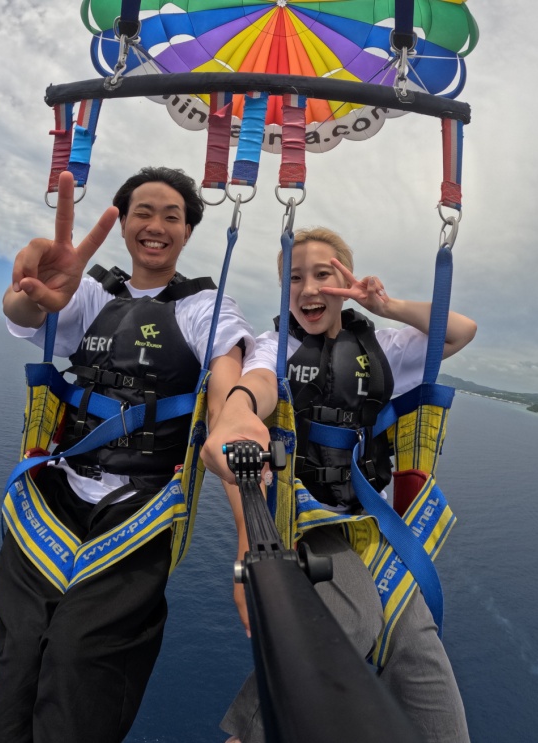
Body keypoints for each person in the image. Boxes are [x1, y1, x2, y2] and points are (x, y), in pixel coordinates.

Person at [0, 168, 253, 743]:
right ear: (124, 223)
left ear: (186, 231)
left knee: (85, 654)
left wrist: (234, 414)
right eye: (143, 212)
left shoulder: (203, 306)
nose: (155, 225)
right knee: (21, 648)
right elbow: (24, 314)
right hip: (57, 490)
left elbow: (225, 367)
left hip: (143, 502)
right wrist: (29, 286)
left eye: (171, 216)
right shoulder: (88, 293)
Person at [201, 226, 477, 743]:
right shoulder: (275, 347)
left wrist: (388, 305)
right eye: (294, 279)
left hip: (376, 527)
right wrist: (237, 411)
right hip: (311, 519)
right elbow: (256, 384)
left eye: (323, 275)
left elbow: (460, 330)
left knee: (436, 699)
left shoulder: (384, 348)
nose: (308, 290)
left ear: (344, 281)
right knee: (352, 614)